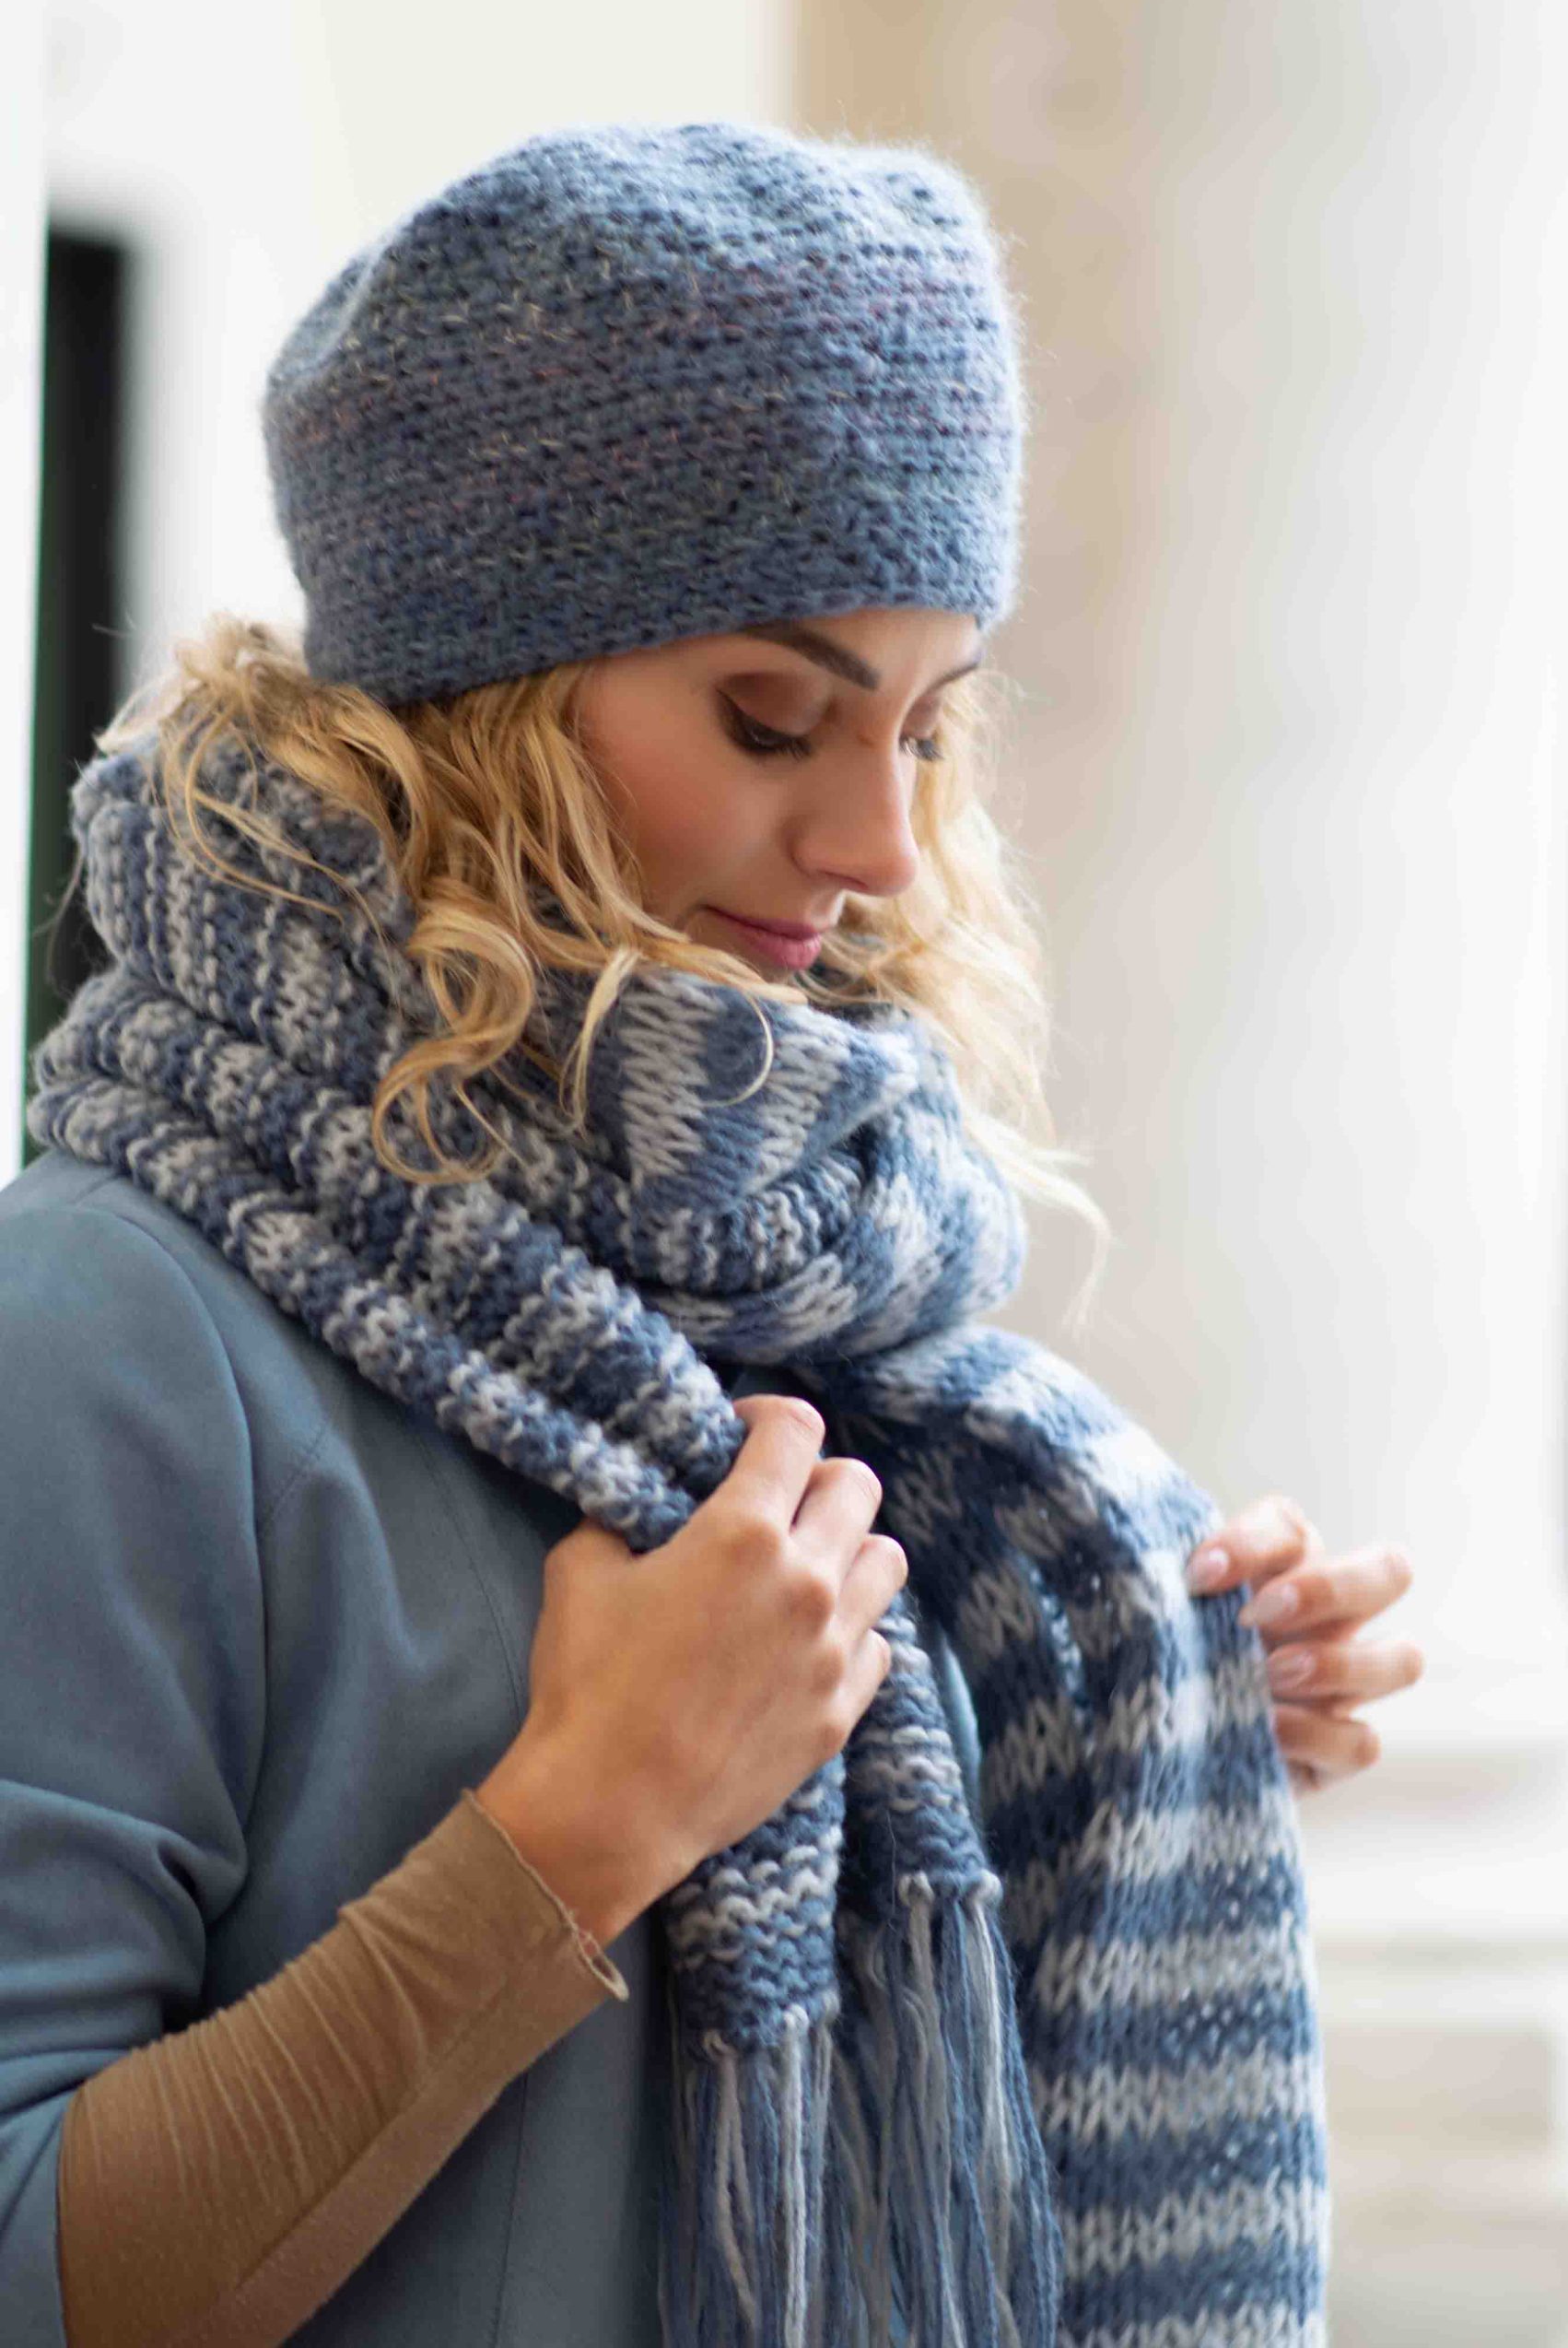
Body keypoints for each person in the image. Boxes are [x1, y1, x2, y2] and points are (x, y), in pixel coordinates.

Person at [0, 119, 1422, 2348]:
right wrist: (575, 1829)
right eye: (774, 716)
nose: (876, 842)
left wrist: (1100, 1701)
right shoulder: (105, 1328)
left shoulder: (817, 1279)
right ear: (480, 695)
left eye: (927, 728)